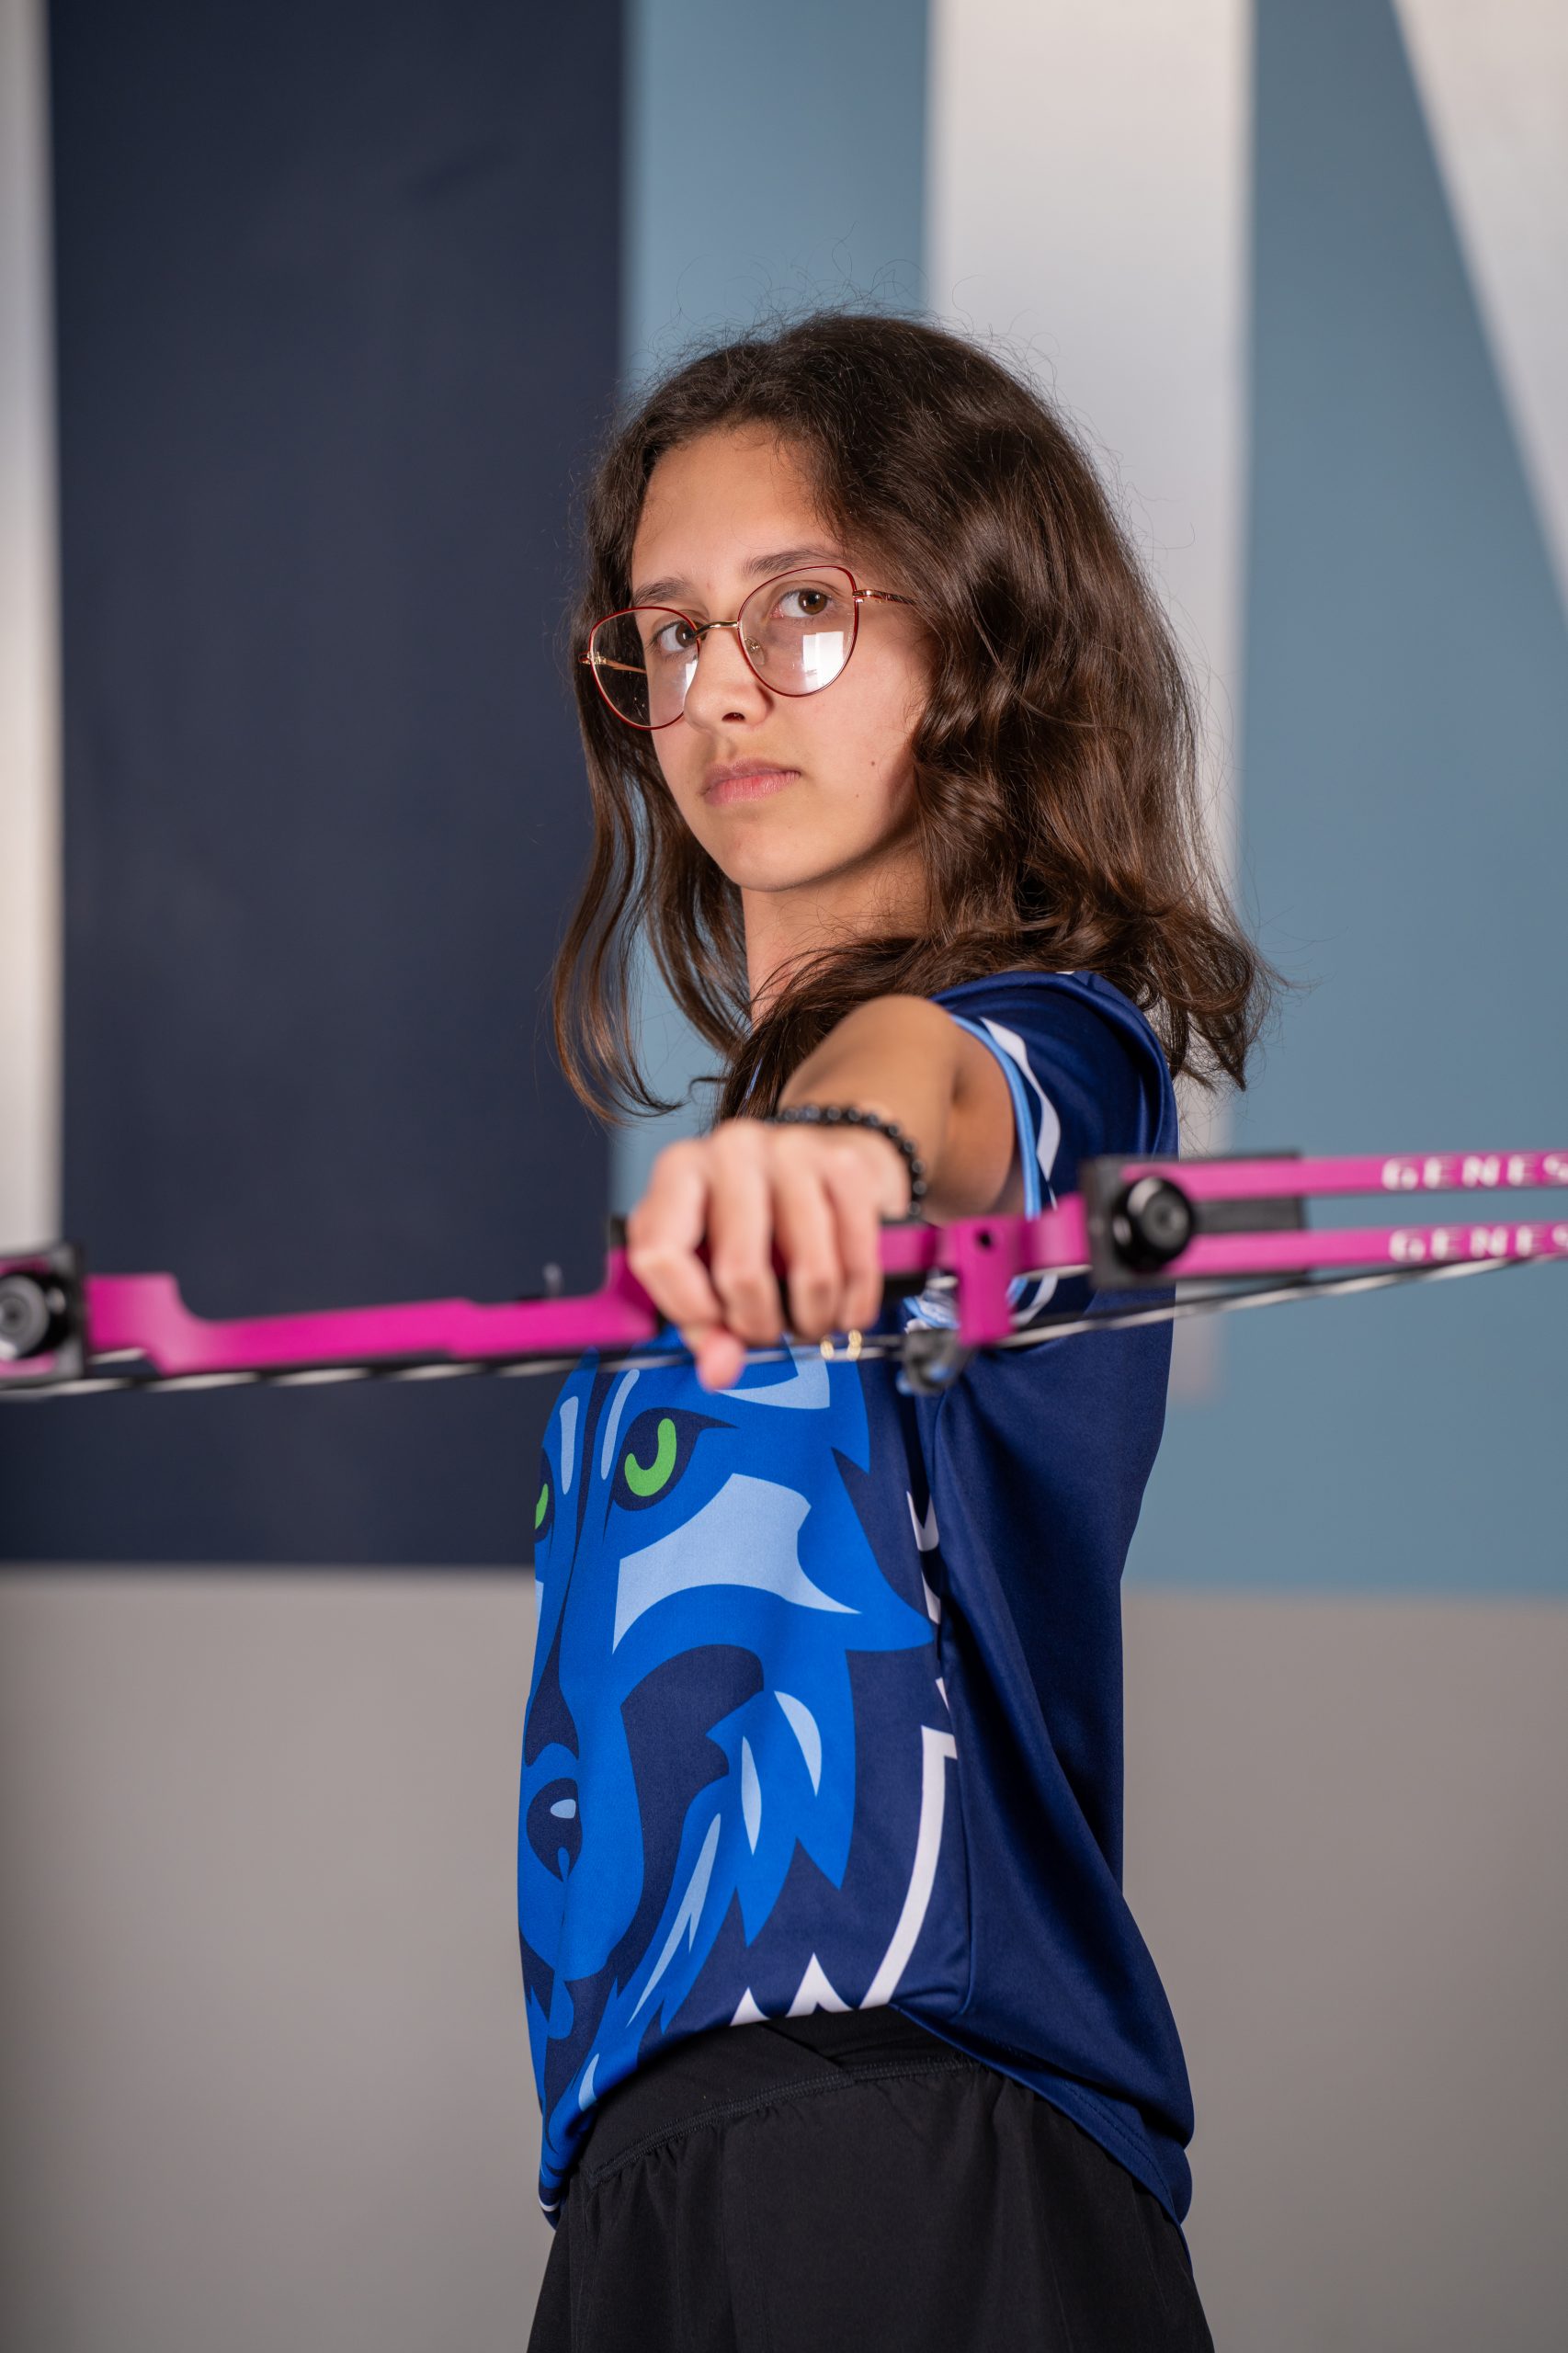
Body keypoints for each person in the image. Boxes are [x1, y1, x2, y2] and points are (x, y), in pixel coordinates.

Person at [521, 312, 1269, 2350]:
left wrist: (839, 1146)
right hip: (654, 2155)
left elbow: (936, 1083)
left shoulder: (1048, 1049)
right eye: (668, 631)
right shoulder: (739, 1181)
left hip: (911, 2125)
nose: (718, 688)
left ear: (985, 641)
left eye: (803, 607)